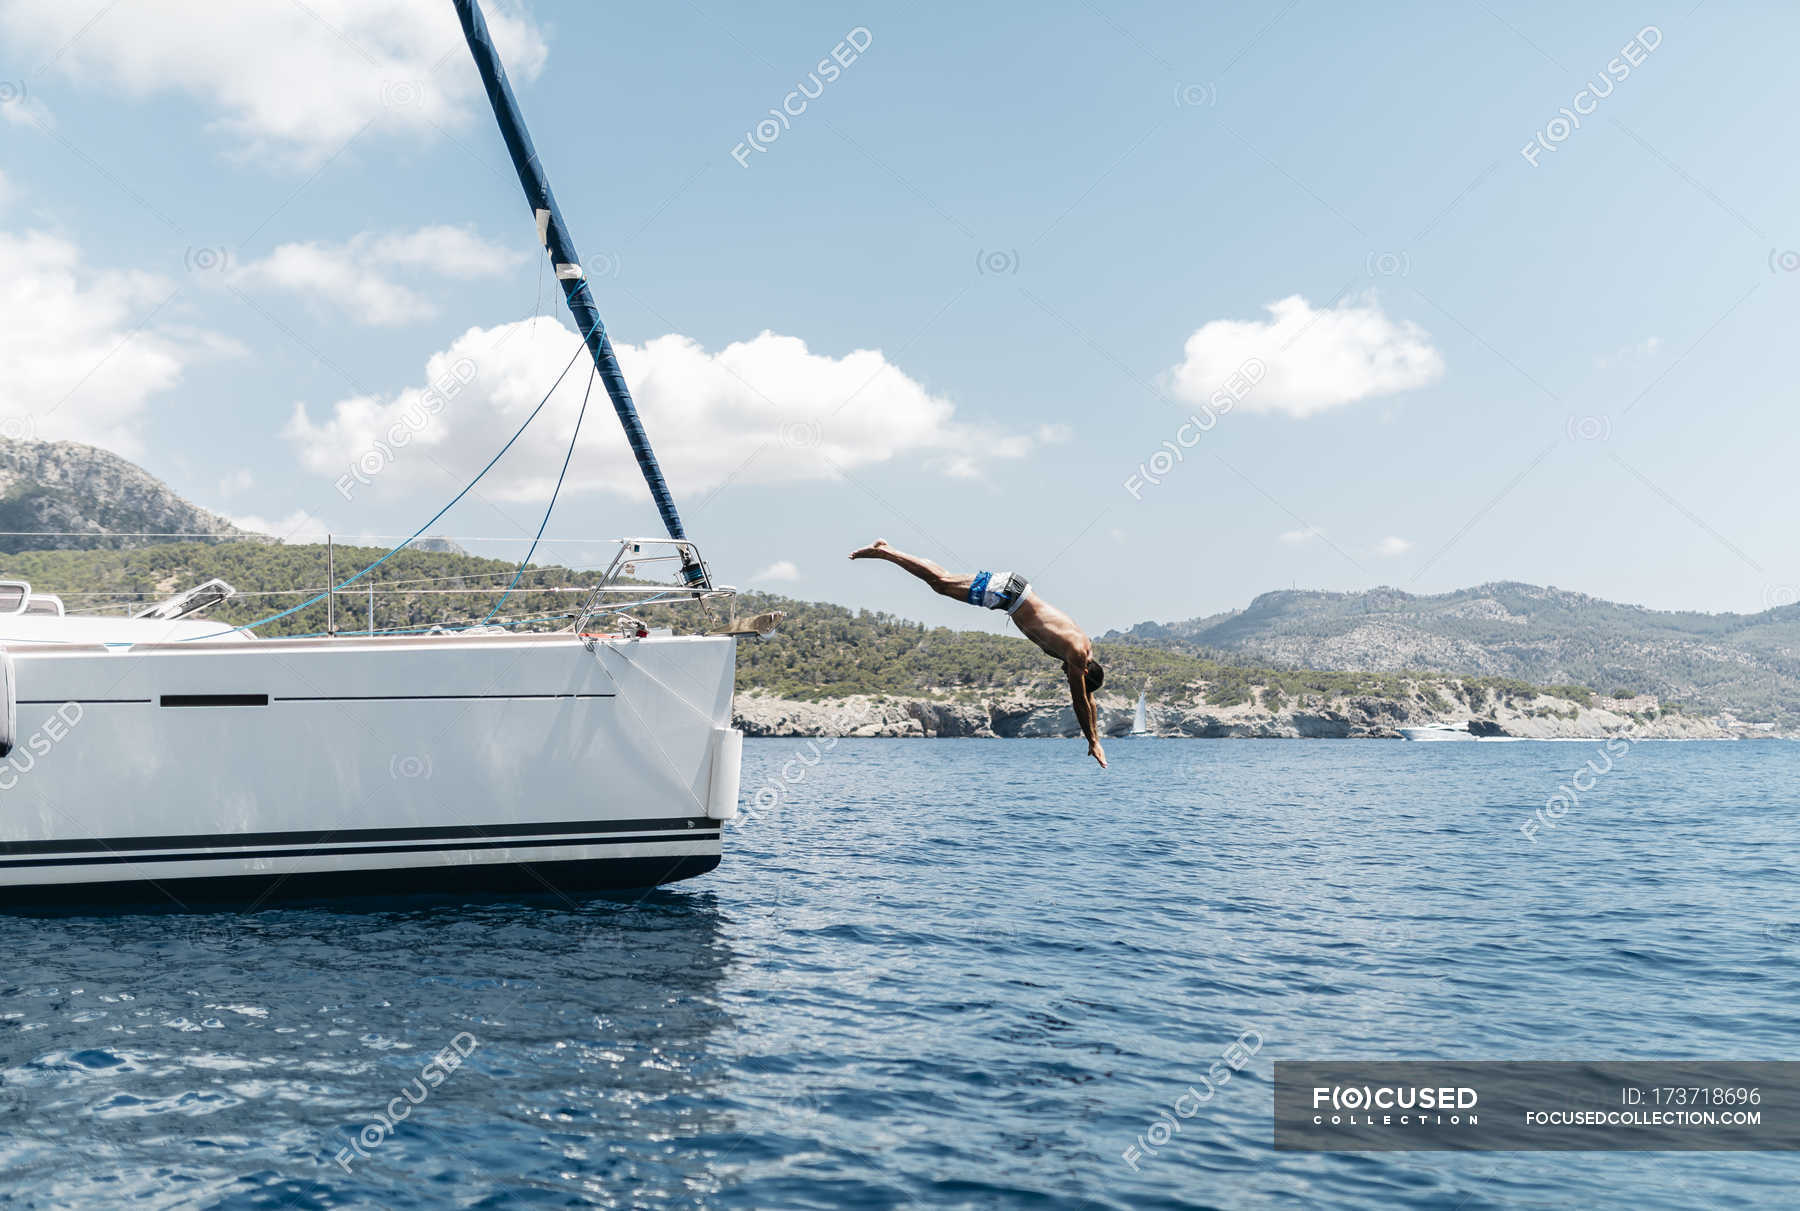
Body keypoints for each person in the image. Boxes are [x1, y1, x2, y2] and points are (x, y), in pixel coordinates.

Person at [850, 540, 1107, 767]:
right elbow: (1080, 702)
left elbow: (1088, 700)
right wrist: (1092, 741)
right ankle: (886, 552)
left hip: (1012, 591)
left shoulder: (1084, 649)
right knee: (941, 583)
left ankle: (892, 552)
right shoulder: (1075, 654)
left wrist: (1095, 735)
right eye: (1074, 678)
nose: (1067, 676)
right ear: (1084, 672)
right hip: (1008, 594)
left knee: (943, 581)